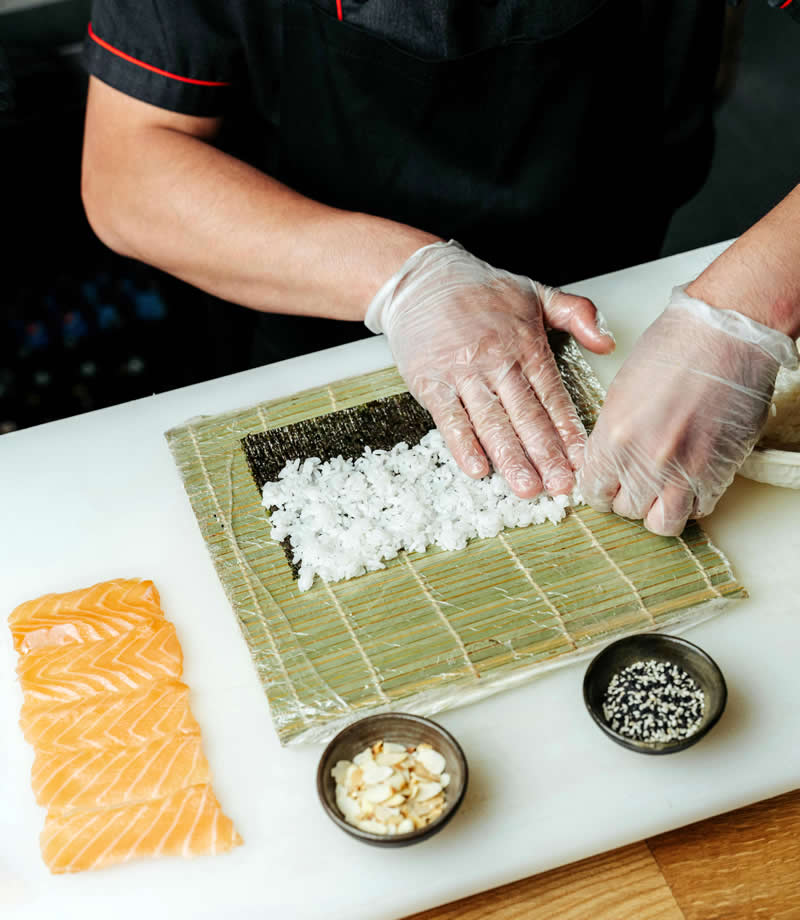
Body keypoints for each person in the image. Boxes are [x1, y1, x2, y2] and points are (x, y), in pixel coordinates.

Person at [80, 1, 800, 537]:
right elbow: (129, 171)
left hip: (624, 296)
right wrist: (404, 280)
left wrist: (743, 314)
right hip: (324, 295)